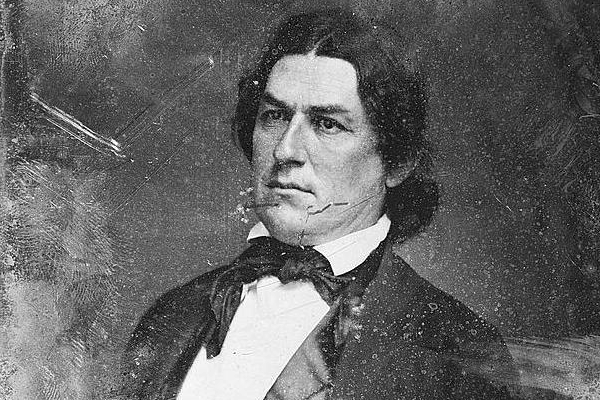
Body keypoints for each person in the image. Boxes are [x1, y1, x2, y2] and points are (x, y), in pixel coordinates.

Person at [119, 8, 519, 400]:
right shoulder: (175, 313)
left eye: (327, 124)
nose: (285, 150)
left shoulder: (456, 349)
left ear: (397, 162)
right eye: (274, 116)